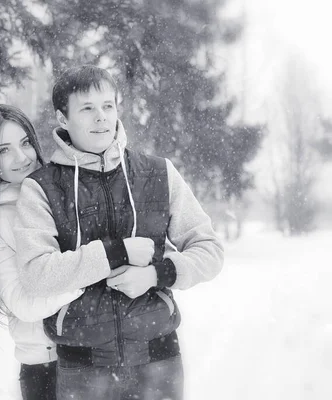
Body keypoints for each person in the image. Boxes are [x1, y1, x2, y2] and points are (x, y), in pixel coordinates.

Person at [14, 65, 225, 400]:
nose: (101, 118)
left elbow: (210, 250)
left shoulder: (157, 172)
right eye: (87, 108)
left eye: (108, 106)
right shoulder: (42, 188)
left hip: (159, 360)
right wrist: (116, 252)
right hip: (83, 367)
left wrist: (158, 273)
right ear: (62, 118)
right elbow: (36, 275)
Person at [0, 104, 88, 400]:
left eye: (25, 143)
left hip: (91, 353)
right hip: (49, 365)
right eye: (4, 150)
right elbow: (25, 304)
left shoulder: (57, 193)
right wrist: (91, 273)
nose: (22, 157)